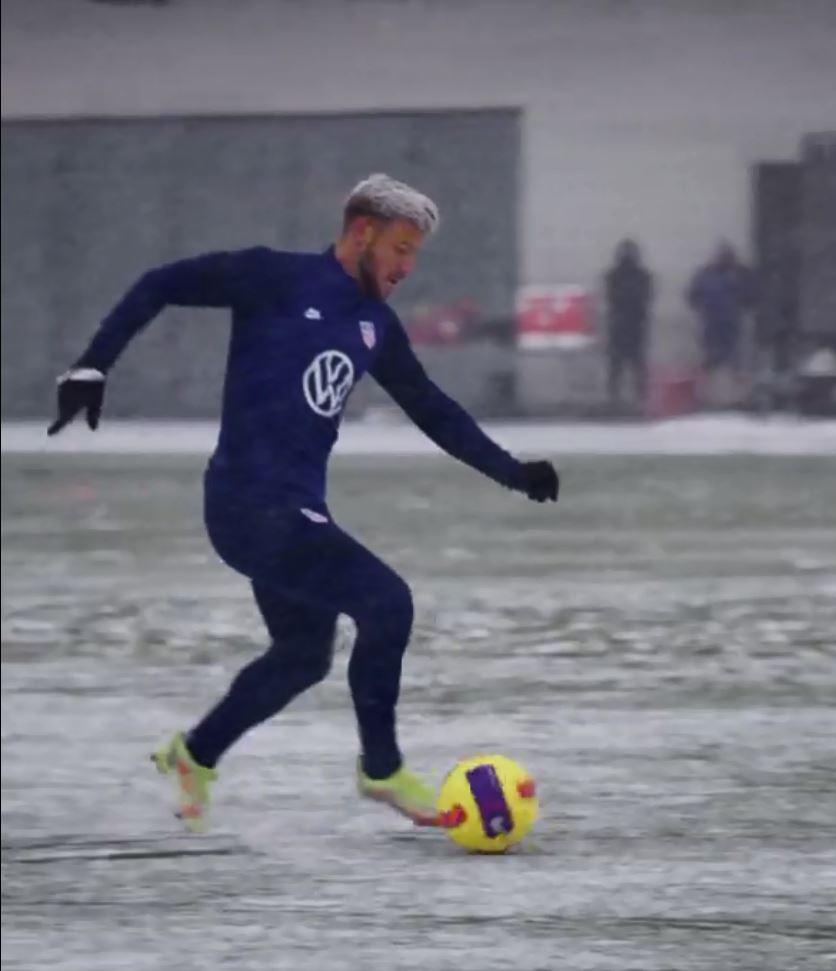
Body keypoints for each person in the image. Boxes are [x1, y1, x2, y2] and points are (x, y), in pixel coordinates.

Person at [47, 173, 560, 832]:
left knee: (301, 655)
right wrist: (93, 365)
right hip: (247, 505)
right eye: (401, 249)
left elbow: (431, 407)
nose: (407, 268)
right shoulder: (272, 277)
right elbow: (159, 284)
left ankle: (194, 754)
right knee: (387, 602)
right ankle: (381, 770)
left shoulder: (375, 322)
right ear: (361, 231)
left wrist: (511, 472)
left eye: (415, 255)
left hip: (289, 512)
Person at [686, 242, 755, 379]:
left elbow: (751, 297)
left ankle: (732, 390)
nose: (724, 259)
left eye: (727, 256)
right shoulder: (706, 274)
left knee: (732, 360)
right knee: (712, 359)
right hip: (712, 324)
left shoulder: (741, 274)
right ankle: (708, 389)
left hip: (731, 325)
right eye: (722, 256)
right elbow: (692, 296)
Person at [603, 238, 653, 413]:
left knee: (638, 366)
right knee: (616, 366)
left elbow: (645, 297)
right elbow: (612, 297)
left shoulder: (643, 276)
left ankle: (642, 399)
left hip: (635, 325)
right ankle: (613, 400)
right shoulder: (613, 276)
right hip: (619, 326)